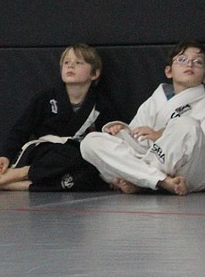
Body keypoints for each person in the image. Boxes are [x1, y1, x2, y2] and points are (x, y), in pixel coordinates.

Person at [0, 43, 119, 191]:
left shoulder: (100, 105)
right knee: (75, 153)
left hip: (77, 156)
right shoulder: (46, 99)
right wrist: (5, 156)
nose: (70, 66)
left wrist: (114, 129)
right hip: (46, 153)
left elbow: (107, 139)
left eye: (78, 63)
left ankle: (26, 184)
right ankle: (23, 172)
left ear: (94, 73)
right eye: (66, 63)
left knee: (92, 172)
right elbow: (20, 130)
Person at [80, 41, 205, 195]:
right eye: (182, 60)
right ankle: (160, 181)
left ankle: (141, 179)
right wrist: (122, 131)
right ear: (169, 71)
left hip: (188, 171)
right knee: (90, 142)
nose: (189, 65)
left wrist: (161, 135)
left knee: (187, 125)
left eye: (198, 62)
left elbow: (199, 145)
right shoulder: (156, 99)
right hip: (151, 161)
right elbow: (137, 137)